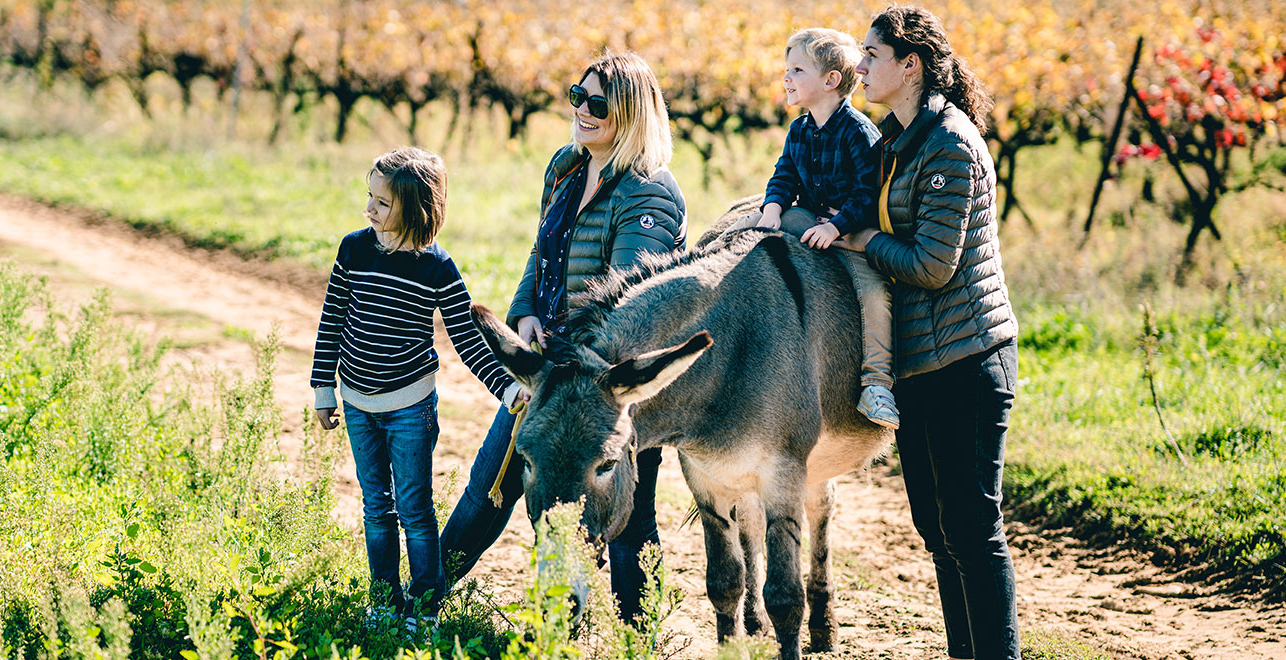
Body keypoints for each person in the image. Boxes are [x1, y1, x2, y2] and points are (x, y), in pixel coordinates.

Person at [440, 51, 687, 625]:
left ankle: (637, 636)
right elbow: (541, 253)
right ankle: (423, 597)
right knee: (493, 482)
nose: (582, 110)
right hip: (551, 368)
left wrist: (550, 362)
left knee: (630, 515)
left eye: (598, 103)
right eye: (578, 95)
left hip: (608, 387)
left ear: (630, 113)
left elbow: (626, 308)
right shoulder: (566, 167)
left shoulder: (648, 193)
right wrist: (525, 313)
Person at [834, 6, 1022, 660]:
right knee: (936, 532)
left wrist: (861, 239)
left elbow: (934, 267)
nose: (858, 66)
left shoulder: (947, 142)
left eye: (870, 55)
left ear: (908, 64)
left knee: (972, 531)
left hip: (968, 362)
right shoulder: (895, 140)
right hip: (921, 366)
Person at [310, 147, 524, 632]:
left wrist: (506, 390)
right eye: (369, 197)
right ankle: (384, 600)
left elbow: (469, 341)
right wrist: (323, 387)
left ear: (416, 208)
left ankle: (424, 606)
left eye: (381, 203)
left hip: (410, 406)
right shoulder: (354, 249)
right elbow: (331, 322)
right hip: (357, 403)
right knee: (375, 506)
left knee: (414, 508)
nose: (369, 209)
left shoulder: (437, 269)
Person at [724, 27, 899, 429]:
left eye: (797, 70)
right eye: (787, 69)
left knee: (874, 294)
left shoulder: (858, 132)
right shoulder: (799, 130)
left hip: (852, 231)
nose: (786, 77)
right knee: (744, 230)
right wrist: (772, 208)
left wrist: (837, 228)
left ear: (831, 81)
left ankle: (876, 385)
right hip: (808, 217)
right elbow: (784, 176)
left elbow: (865, 195)